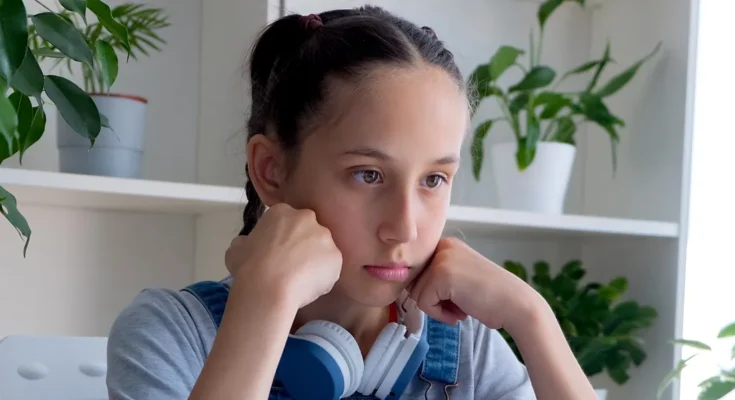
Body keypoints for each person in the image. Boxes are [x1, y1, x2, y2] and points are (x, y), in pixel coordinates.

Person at [106, 5, 597, 400]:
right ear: (271, 171)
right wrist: (265, 301)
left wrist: (533, 318)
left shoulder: (470, 349)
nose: (404, 228)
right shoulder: (172, 333)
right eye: (369, 174)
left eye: (434, 179)